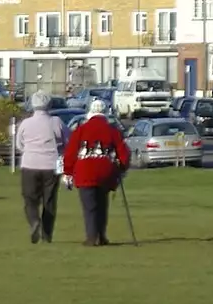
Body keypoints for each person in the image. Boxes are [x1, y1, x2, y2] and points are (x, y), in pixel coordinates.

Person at [61, 99, 130, 246]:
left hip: (85, 171)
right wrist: (121, 168)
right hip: (106, 171)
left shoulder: (80, 130)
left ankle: (92, 237)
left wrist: (67, 171)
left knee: (89, 207)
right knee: (102, 204)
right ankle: (101, 235)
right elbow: (124, 153)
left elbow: (71, 153)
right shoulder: (113, 131)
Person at [13, 92, 67, 244]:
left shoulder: (25, 123)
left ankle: (34, 221)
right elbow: (67, 141)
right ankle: (47, 234)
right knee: (49, 201)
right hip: (51, 165)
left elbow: (19, 144)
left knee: (30, 199)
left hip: (30, 164)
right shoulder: (56, 122)